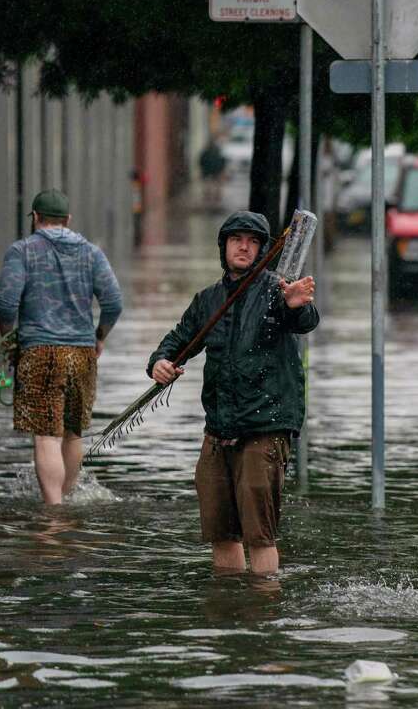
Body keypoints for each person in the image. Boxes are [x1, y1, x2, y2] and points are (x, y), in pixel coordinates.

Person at [147, 211, 317, 575]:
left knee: (260, 536)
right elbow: (178, 342)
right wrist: (160, 362)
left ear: (262, 249)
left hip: (265, 430)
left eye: (253, 241)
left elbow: (305, 320)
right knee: (221, 534)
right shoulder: (207, 300)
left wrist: (296, 303)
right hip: (218, 432)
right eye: (236, 239)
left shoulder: (278, 291)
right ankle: (227, 612)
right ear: (223, 247)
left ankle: (263, 610)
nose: (244, 246)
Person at [0, 189, 123, 505]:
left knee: (45, 435)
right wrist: (99, 336)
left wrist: (9, 337)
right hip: (81, 353)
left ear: (35, 218)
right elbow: (113, 302)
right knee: (73, 432)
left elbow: (6, 301)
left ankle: (54, 510)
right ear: (68, 220)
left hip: (39, 352)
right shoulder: (92, 253)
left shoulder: (22, 251)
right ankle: (68, 498)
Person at [199, 138, 227, 206]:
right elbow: (222, 161)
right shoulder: (216, 152)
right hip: (214, 170)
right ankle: (214, 195)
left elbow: (201, 161)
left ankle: (210, 195)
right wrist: (221, 169)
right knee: (214, 184)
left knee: (210, 184)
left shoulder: (206, 152)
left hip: (210, 170)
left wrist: (203, 168)